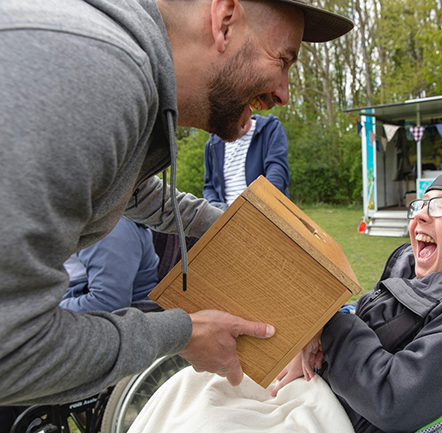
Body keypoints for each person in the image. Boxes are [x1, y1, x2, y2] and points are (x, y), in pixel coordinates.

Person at [0, 0, 353, 405]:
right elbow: (13, 346)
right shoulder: (101, 74)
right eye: (283, 59)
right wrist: (183, 333)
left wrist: (275, 254)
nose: (284, 94)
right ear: (223, 22)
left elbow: (136, 192)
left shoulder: (126, 77)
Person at [128, 164, 442, 433]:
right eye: (420, 204)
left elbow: (395, 399)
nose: (419, 216)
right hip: (317, 377)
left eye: (441, 206)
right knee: (190, 385)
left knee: (205, 422)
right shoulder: (411, 261)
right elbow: (365, 318)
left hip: (344, 412)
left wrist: (327, 324)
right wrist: (313, 328)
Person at [60, 216, 161, 313]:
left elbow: (106, 302)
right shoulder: (82, 222)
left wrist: (49, 311)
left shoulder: (108, 228)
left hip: (122, 320)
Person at [204, 113, 290, 210]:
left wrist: (258, 204)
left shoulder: (270, 128)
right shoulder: (213, 144)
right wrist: (217, 209)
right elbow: (209, 186)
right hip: (228, 216)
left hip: (265, 210)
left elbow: (277, 171)